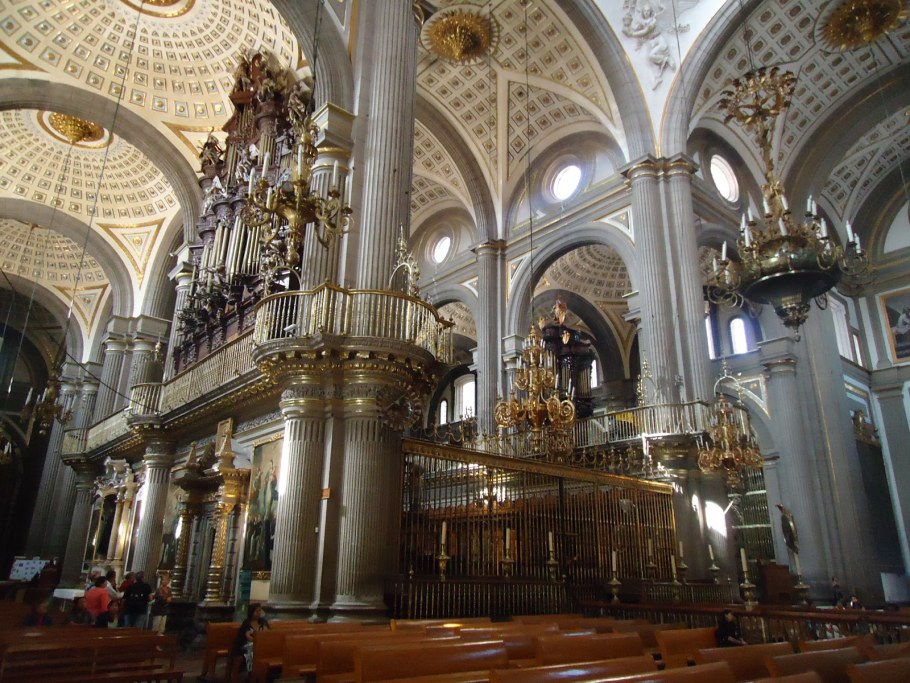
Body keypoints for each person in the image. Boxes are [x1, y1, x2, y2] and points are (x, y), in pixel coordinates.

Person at [232, 603, 270, 673]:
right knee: (253, 651)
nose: (259, 613)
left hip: (260, 644)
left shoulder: (263, 622)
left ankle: (262, 671)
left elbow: (267, 634)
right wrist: (256, 640)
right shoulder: (246, 623)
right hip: (246, 645)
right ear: (251, 612)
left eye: (260, 611)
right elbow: (246, 637)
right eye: (257, 611)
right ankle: (251, 671)